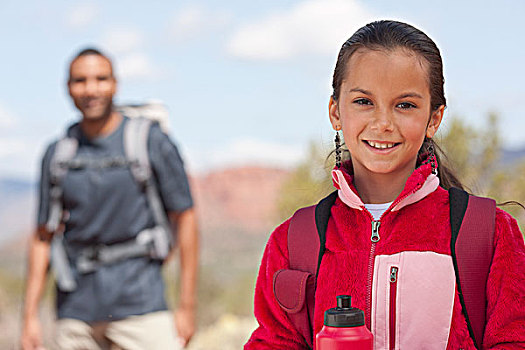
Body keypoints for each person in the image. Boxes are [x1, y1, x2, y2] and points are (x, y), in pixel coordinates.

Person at [245, 20, 525, 349]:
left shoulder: (488, 235)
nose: (383, 123)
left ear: (434, 119)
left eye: (405, 105)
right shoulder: (293, 244)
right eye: (364, 101)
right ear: (335, 111)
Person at [21, 48, 199, 350]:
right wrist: (29, 316)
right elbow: (43, 236)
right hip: (75, 312)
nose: (91, 89)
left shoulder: (150, 141)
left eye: (101, 79)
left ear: (115, 84)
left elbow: (186, 218)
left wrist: (186, 306)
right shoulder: (58, 153)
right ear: (68, 87)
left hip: (142, 304)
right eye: (81, 80)